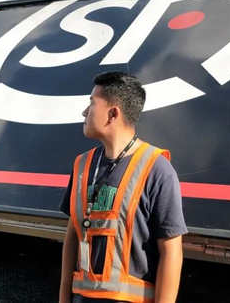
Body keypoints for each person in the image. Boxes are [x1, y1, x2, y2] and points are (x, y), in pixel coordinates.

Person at [59, 71, 187, 303]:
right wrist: (63, 298)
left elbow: (171, 251)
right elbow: (72, 235)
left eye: (92, 103)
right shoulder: (82, 165)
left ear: (113, 114)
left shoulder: (157, 169)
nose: (84, 112)